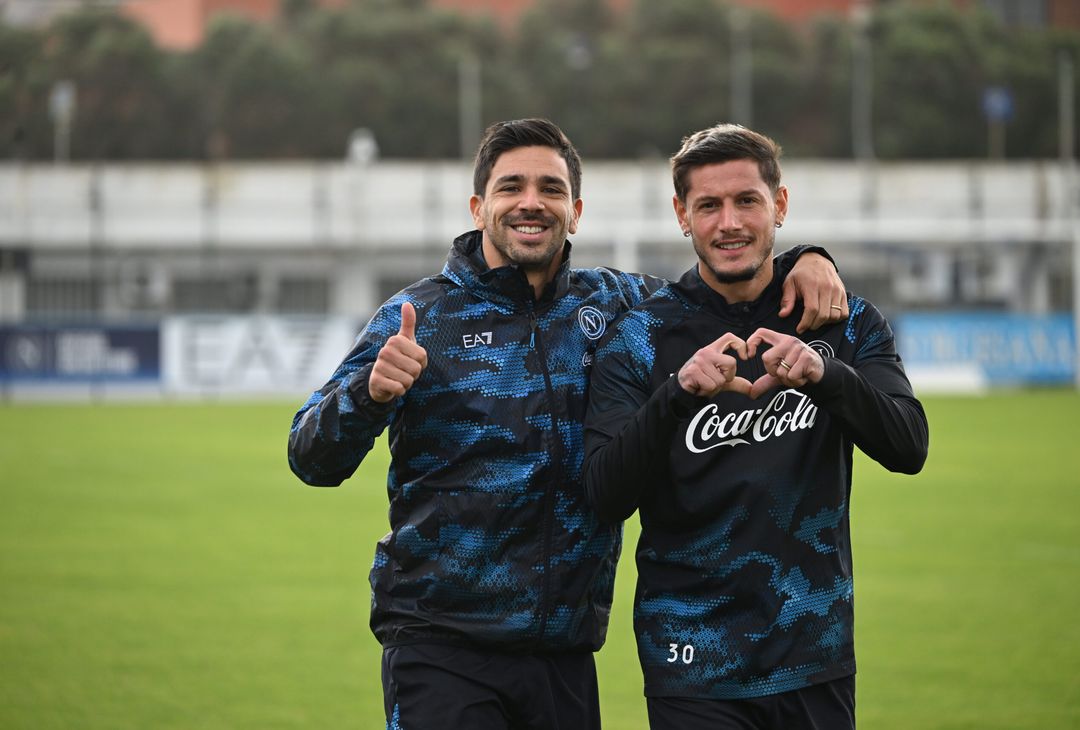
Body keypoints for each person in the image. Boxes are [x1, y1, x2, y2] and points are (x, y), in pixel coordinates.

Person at [287, 118, 848, 730]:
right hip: (442, 646)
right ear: (479, 207)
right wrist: (368, 396)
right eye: (511, 188)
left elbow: (721, 281)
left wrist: (808, 259)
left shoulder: (618, 306)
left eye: (551, 189)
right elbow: (310, 457)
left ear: (575, 211)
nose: (531, 203)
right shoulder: (418, 316)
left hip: (566, 654)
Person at [582, 123, 929, 730]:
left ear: (780, 205)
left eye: (747, 200)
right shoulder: (641, 337)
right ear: (681, 215)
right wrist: (679, 394)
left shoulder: (841, 321)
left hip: (813, 653)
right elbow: (603, 493)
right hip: (689, 659)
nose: (730, 223)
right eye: (708, 206)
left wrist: (826, 376)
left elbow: (909, 445)